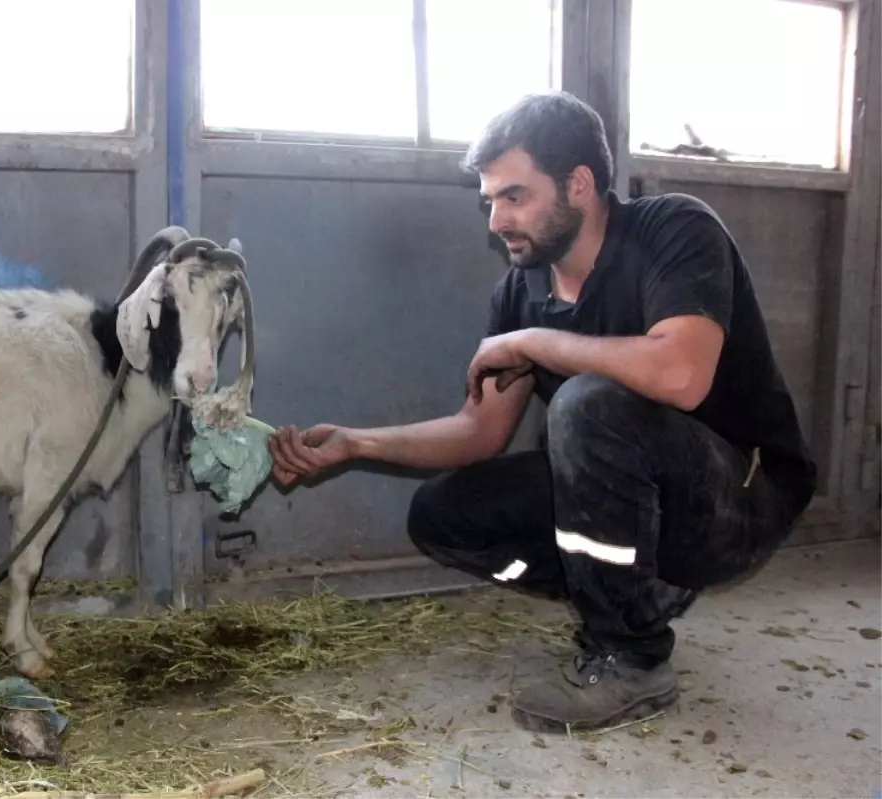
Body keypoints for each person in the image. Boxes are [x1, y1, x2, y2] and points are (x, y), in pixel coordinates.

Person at [267, 91, 817, 734]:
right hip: (643, 503)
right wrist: (356, 444)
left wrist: (534, 343)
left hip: (740, 501)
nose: (496, 220)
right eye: (490, 201)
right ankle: (634, 596)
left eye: (514, 196)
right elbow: (479, 432)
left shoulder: (674, 229)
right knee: (445, 515)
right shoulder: (521, 290)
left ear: (579, 184)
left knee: (588, 404)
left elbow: (681, 375)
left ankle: (632, 659)